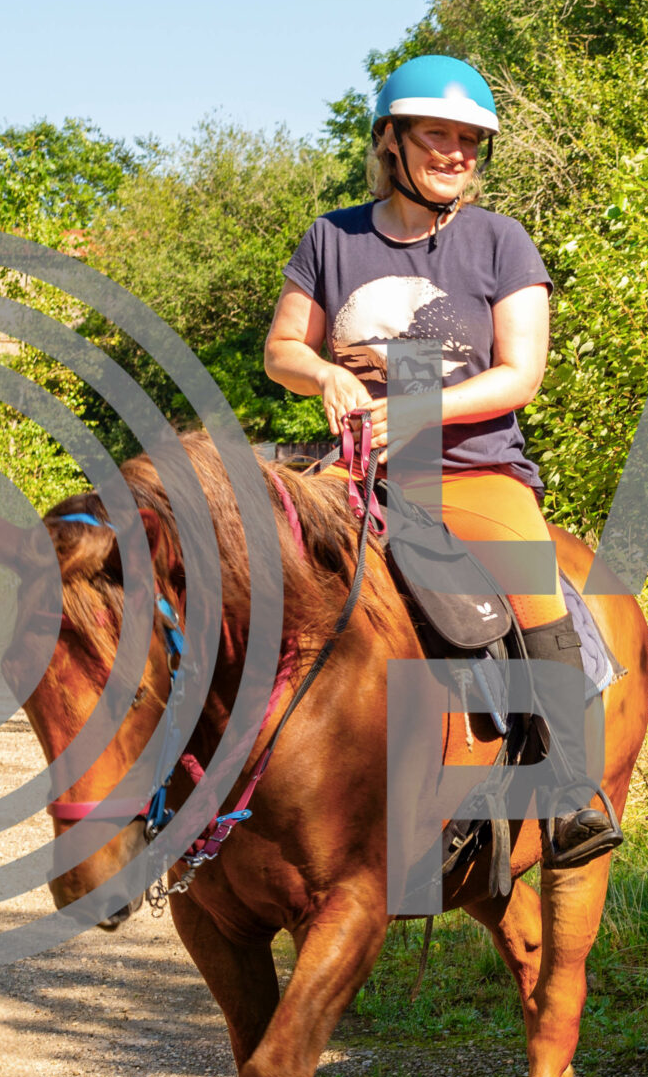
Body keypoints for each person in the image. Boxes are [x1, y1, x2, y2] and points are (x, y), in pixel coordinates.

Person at [262, 53, 617, 866]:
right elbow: (282, 348)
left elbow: (521, 373)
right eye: (437, 136)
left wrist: (423, 408)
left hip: (476, 470)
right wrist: (322, 375)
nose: (456, 154)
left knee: (532, 584)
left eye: (469, 141)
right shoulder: (333, 237)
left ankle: (568, 793)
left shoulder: (500, 241)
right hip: (355, 474)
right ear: (391, 140)